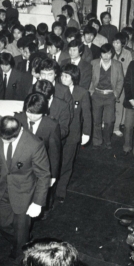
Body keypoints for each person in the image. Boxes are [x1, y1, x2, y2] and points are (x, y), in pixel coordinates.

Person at [0, 116, 51, 266]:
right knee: (1, 223)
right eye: (1, 138)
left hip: (25, 193)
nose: (3, 142)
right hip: (4, 188)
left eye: (8, 140)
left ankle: (17, 259)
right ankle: (24, 242)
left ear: (18, 133)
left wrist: (38, 203)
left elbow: (44, 175)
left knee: (20, 230)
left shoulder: (34, 145)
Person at [55, 65, 91, 204]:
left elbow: (87, 114)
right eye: (62, 75)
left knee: (67, 163)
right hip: (57, 132)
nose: (63, 79)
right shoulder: (56, 90)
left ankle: (61, 190)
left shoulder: (82, 93)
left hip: (73, 133)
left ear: (73, 78)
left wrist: (86, 133)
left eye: (66, 76)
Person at [15, 93, 61, 188]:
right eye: (29, 112)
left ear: (44, 112)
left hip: (40, 167)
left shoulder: (51, 125)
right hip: (19, 167)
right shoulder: (18, 119)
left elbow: (54, 153)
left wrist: (52, 175)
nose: (32, 116)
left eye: (36, 114)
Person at [89, 44, 125, 149]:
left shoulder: (117, 64)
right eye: (104, 53)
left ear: (112, 54)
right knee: (96, 120)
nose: (106, 56)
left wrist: (116, 93)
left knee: (109, 121)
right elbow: (90, 78)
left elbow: (120, 80)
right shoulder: (94, 63)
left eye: (108, 53)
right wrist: (91, 92)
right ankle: (97, 141)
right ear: (100, 54)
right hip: (97, 94)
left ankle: (107, 140)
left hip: (110, 95)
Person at [112, 32, 134, 137]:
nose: (115, 45)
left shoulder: (127, 54)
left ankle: (116, 127)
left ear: (122, 44)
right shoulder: (109, 52)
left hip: (122, 83)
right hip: (109, 83)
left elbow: (129, 69)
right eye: (114, 42)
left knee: (119, 106)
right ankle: (106, 123)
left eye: (117, 43)